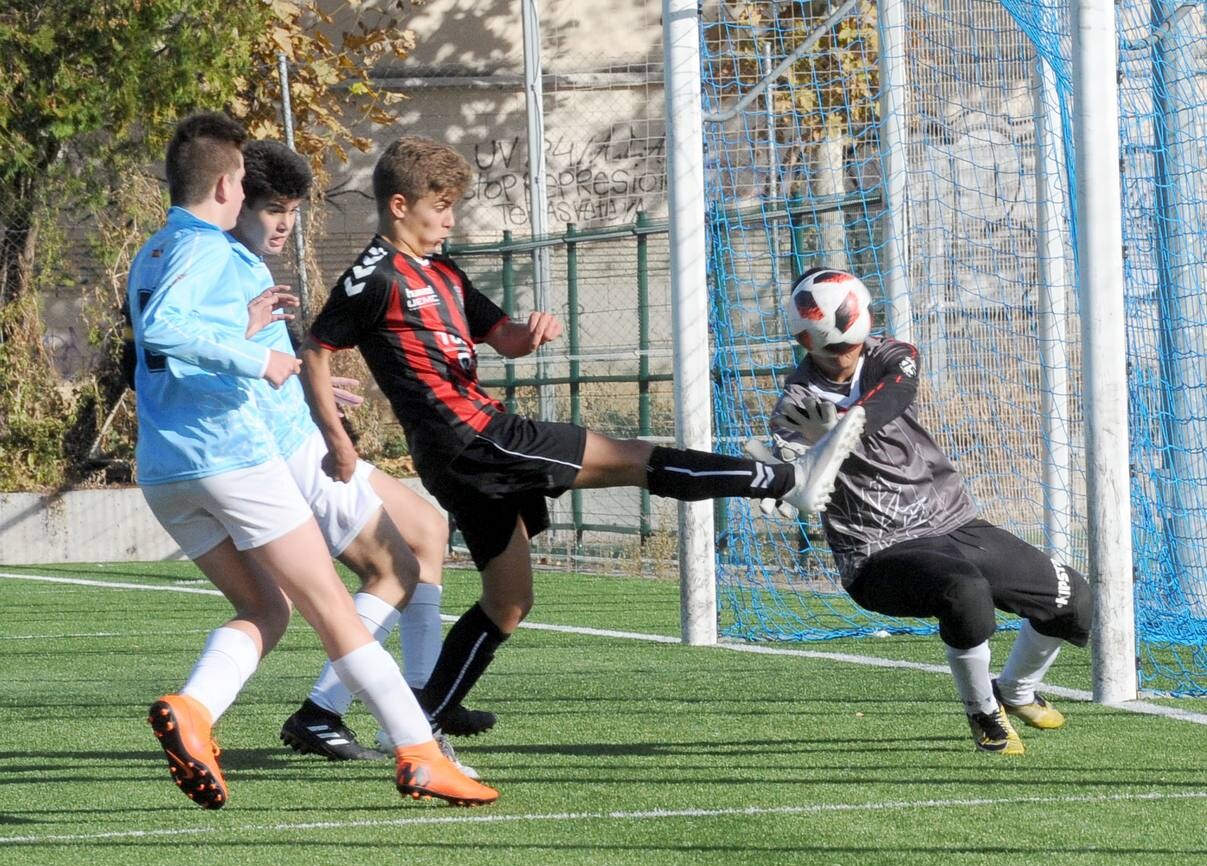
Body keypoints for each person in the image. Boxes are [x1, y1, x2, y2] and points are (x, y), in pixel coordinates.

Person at [297, 136, 867, 737]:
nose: (451, 219)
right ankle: (786, 479)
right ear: (398, 204)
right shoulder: (371, 278)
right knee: (635, 457)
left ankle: (417, 717)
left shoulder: (440, 269)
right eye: (441, 206)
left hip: (467, 452)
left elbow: (505, 338)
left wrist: (531, 331)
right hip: (474, 437)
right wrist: (337, 439)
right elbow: (316, 350)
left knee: (509, 602)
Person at [128, 113, 496, 808]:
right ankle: (417, 750)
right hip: (230, 453)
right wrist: (260, 355)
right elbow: (166, 330)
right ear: (230, 183)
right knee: (337, 604)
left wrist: (255, 342)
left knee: (266, 607)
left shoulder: (154, 251)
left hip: (165, 467)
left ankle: (196, 712)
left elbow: (161, 348)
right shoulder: (210, 249)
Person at [227, 141, 490, 773]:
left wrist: (293, 381)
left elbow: (261, 362)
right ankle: (333, 709)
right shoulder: (218, 261)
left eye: (293, 208)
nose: (285, 223)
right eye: (272, 208)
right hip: (285, 452)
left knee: (427, 529)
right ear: (232, 198)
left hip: (298, 434)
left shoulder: (250, 264)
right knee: (390, 571)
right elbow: (187, 351)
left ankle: (423, 700)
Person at [752, 266, 1092, 755]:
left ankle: (1015, 690)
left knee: (1071, 598)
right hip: (877, 552)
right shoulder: (797, 404)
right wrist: (782, 482)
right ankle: (982, 712)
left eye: (850, 343)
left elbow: (895, 394)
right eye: (831, 348)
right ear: (806, 341)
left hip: (953, 522)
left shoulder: (893, 353)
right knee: (965, 591)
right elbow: (791, 474)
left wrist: (844, 427)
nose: (844, 355)